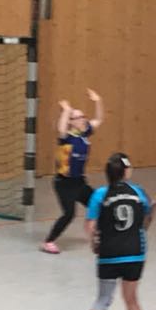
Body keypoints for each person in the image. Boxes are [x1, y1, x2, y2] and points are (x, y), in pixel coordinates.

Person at [79, 153, 153, 310]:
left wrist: (94, 243)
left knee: (103, 299)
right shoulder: (138, 192)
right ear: (126, 171)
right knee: (131, 298)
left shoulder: (100, 194)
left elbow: (90, 225)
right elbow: (146, 218)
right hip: (134, 254)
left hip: (109, 254)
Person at [42, 89, 103, 254]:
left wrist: (98, 101)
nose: (83, 119)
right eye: (78, 117)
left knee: (98, 204)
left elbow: (99, 119)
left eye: (83, 116)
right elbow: (61, 128)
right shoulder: (66, 138)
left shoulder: (85, 133)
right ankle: (48, 241)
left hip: (79, 182)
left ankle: (96, 233)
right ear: (71, 121)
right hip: (64, 184)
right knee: (69, 214)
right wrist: (66, 111)